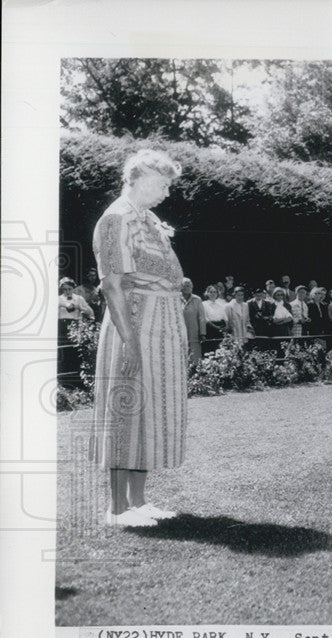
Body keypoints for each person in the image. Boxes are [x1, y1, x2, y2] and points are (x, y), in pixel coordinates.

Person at [90, 148, 187, 527]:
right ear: (140, 177)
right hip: (134, 322)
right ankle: (116, 509)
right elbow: (112, 285)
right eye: (163, 184)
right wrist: (129, 342)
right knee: (126, 409)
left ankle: (139, 501)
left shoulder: (147, 219)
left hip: (160, 323)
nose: (166, 193)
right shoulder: (116, 219)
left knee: (149, 411)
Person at [58, 276, 95, 388]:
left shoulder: (79, 299)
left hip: (74, 327)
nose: (67, 291)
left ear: (73, 288)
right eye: (65, 289)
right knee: (63, 352)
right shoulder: (59, 299)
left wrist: (82, 310)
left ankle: (76, 382)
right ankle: (63, 382)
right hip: (61, 328)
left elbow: (90, 312)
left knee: (74, 351)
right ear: (62, 289)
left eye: (69, 289)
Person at [180, 277, 206, 363]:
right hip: (179, 333)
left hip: (194, 333)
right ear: (181, 287)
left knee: (195, 356)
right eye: (186, 285)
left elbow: (201, 317)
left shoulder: (197, 300)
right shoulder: (175, 298)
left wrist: (202, 333)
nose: (188, 288)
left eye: (190, 286)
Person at [201, 283, 228, 354]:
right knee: (210, 349)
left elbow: (225, 316)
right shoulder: (204, 304)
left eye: (214, 292)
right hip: (210, 328)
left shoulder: (220, 304)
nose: (213, 294)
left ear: (217, 293)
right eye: (211, 292)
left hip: (221, 327)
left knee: (220, 348)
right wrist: (216, 327)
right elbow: (205, 318)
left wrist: (226, 326)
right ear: (207, 293)